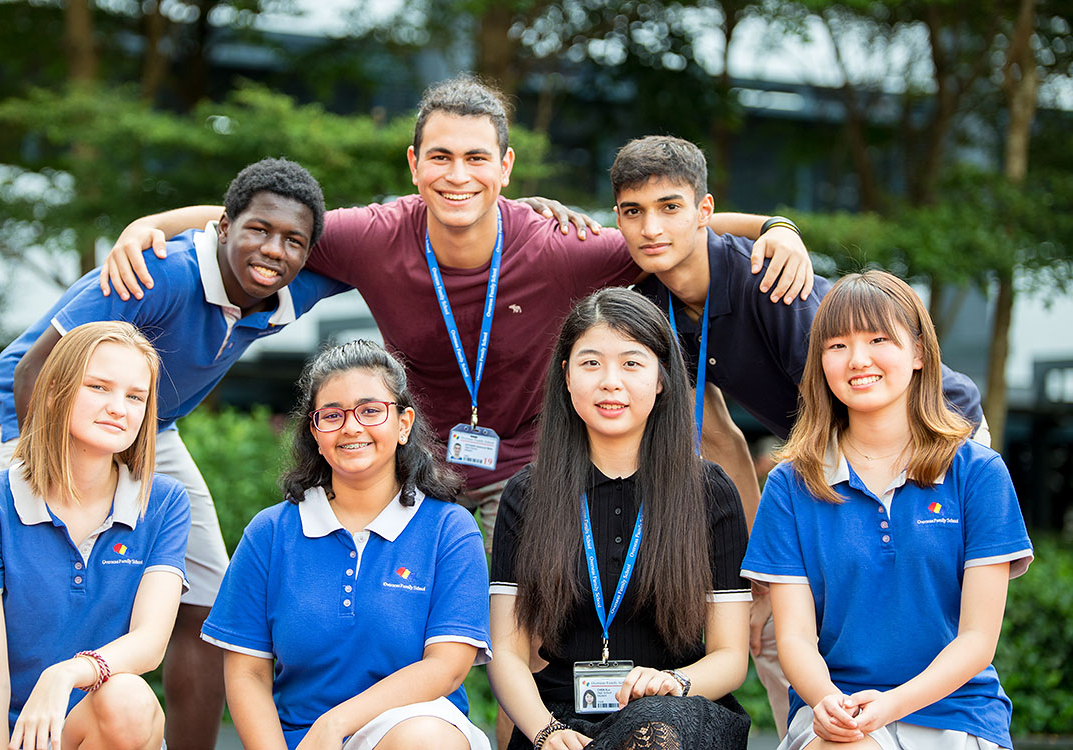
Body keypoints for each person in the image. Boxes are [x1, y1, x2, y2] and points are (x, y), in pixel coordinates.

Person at [98, 76, 817, 556]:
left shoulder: (560, 248)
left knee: (528, 638)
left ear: (506, 168)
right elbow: (261, 222)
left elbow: (669, 228)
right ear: (414, 164)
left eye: (476, 158)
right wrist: (151, 223)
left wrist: (776, 226)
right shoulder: (376, 235)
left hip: (534, 471)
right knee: (406, 633)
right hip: (419, 467)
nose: (457, 174)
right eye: (440, 157)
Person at [611, 135, 987, 736]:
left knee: (900, 613)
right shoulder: (653, 303)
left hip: (928, 428)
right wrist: (757, 563)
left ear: (704, 211)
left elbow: (846, 394)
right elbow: (721, 441)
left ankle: (948, 725)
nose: (651, 226)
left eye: (670, 207)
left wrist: (776, 226)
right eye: (634, 212)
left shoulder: (764, 275)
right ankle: (816, 733)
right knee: (775, 627)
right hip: (824, 458)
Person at [0, 158, 346, 749]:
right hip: (39, 413)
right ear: (224, 228)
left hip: (152, 428)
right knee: (47, 581)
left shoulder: (293, 282)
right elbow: (36, 370)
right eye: (256, 230)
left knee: (210, 600)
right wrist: (46, 478)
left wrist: (525, 214)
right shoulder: (158, 272)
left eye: (292, 241)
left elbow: (402, 231)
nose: (273, 249)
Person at [740, 271, 1033, 750]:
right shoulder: (789, 484)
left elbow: (977, 639)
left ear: (918, 352)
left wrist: (891, 706)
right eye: (836, 345)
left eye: (878, 339)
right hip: (835, 712)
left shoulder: (978, 472)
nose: (858, 360)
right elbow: (794, 640)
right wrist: (830, 703)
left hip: (956, 713)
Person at [488, 288, 752, 750]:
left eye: (632, 363)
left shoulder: (710, 492)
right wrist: (545, 732)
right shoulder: (527, 494)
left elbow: (731, 657)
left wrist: (675, 683)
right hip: (559, 717)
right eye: (591, 363)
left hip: (678, 708)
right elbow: (506, 652)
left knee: (653, 732)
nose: (611, 381)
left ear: (661, 378)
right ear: (566, 376)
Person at [200, 340, 492, 750]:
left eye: (370, 411)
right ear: (315, 434)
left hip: (413, 733)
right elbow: (247, 673)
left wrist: (334, 724)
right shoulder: (270, 532)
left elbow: (445, 668)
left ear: (403, 424)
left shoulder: (449, 529)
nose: (352, 427)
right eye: (332, 416)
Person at [0, 321, 191, 750]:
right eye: (99, 387)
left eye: (135, 396)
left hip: (87, 728)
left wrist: (66, 673)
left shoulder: (163, 502)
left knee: (130, 701)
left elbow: (149, 642)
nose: (119, 408)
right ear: (54, 391)